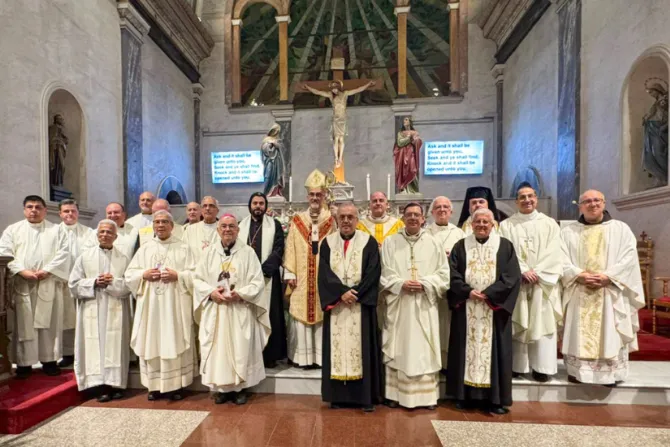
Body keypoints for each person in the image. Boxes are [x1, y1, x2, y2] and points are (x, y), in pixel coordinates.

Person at [560, 190, 644, 385]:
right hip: (579, 290)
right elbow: (560, 258)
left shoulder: (620, 229)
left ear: (604, 203)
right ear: (580, 206)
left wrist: (609, 276)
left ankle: (609, 374)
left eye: (597, 200)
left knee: (610, 331)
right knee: (579, 332)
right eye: (587, 201)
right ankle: (578, 372)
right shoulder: (568, 232)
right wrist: (578, 275)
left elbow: (629, 258)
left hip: (609, 291)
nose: (593, 204)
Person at [447, 208, 521, 415]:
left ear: (492, 224)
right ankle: (463, 396)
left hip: (494, 310)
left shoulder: (505, 246)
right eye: (477, 221)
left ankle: (495, 399)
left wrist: (489, 293)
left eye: (485, 222)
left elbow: (512, 276)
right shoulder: (460, 246)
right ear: (471, 225)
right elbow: (451, 274)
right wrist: (467, 292)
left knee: (496, 353)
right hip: (467, 307)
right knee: (464, 350)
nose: (481, 225)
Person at [380, 202, 449, 409]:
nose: (412, 218)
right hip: (400, 304)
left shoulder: (433, 243)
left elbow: (444, 274)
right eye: (408, 214)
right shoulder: (390, 242)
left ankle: (426, 398)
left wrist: (425, 284)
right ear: (402, 218)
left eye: (416, 215)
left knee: (424, 348)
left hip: (424, 304)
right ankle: (395, 395)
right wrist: (400, 284)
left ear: (422, 219)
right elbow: (384, 271)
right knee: (399, 346)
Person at [194, 214, 268, 405]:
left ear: (238, 230)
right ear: (218, 230)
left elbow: (257, 282)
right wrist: (211, 292)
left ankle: (240, 388)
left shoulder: (248, 253)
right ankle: (220, 389)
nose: (227, 230)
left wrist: (240, 294)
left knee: (240, 348)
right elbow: (197, 279)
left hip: (239, 309)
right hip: (216, 310)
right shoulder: (209, 253)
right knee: (218, 350)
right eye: (224, 226)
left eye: (231, 226)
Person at [125, 210, 197, 401]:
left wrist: (178, 275)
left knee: (174, 339)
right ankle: (154, 386)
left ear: (172, 226)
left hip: (175, 307)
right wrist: (143, 275)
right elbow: (129, 275)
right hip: (151, 308)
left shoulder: (184, 248)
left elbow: (196, 275)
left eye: (165, 222)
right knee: (152, 340)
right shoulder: (145, 249)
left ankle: (176, 386)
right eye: (157, 222)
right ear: (153, 226)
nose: (161, 225)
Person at [318, 202, 382, 412]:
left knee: (362, 350)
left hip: (360, 306)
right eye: (342, 217)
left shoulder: (368, 242)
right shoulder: (327, 243)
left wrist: (355, 293)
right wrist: (341, 293)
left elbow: (373, 272)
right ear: (336, 219)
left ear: (357, 219)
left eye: (350, 217)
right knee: (336, 351)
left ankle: (365, 397)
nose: (346, 221)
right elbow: (324, 274)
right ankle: (338, 397)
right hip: (337, 306)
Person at [0, 195, 70, 378]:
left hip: (48, 282)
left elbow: (64, 253)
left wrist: (47, 270)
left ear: (45, 210)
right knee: (24, 324)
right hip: (23, 284)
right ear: (24, 210)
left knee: (49, 323)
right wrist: (22, 271)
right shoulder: (13, 230)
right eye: (30, 207)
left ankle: (49, 361)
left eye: (38, 207)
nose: (34, 210)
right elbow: (5, 253)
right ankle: (24, 363)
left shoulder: (56, 230)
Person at [500, 183, 562, 382]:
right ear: (516, 201)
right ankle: (518, 366)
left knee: (543, 322)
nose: (527, 200)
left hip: (542, 283)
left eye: (530, 196)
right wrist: (522, 271)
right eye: (522, 197)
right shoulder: (506, 226)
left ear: (536, 199)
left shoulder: (550, 224)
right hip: (519, 284)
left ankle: (542, 367)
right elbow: (505, 252)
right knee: (519, 320)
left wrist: (538, 272)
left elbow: (555, 251)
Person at [68, 220, 131, 402]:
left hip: (115, 307)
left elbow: (130, 285)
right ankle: (98, 385)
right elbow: (73, 284)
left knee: (115, 345)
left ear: (115, 236)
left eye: (109, 232)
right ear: (97, 235)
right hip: (92, 306)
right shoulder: (84, 257)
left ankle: (115, 384)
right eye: (102, 232)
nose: (105, 235)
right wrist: (94, 282)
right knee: (93, 345)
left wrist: (112, 282)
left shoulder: (123, 258)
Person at [283, 170, 336, 368]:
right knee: (301, 312)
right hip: (302, 277)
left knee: (322, 312)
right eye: (312, 194)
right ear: (307, 197)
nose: (315, 198)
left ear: (324, 196)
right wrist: (290, 273)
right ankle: (302, 358)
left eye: (318, 194)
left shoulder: (331, 220)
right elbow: (290, 246)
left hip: (323, 278)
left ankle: (320, 358)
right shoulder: (298, 220)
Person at [238, 192, 287, 368]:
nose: (258, 206)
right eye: (255, 203)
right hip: (247, 279)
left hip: (268, 277)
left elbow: (279, 249)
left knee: (270, 315)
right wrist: (251, 272)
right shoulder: (241, 226)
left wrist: (264, 270)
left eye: (261, 203)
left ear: (266, 206)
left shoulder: (275, 225)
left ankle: (269, 356)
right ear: (249, 206)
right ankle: (249, 354)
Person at [427, 196, 465, 372]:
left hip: (452, 287)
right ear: (432, 212)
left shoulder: (460, 234)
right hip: (431, 286)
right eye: (438, 207)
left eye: (445, 207)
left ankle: (448, 363)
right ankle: (432, 361)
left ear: (451, 211)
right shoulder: (425, 233)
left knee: (449, 326)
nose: (442, 210)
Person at [57, 198, 96, 368]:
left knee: (85, 318)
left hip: (83, 282)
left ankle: (86, 352)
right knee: (66, 319)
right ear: (60, 214)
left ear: (78, 213)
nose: (69, 214)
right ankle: (68, 353)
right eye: (66, 211)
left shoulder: (89, 233)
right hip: (62, 282)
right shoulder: (53, 232)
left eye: (73, 211)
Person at [303, 79, 375, 168]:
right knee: (336, 139)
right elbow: (318, 92)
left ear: (338, 87)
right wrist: (308, 87)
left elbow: (358, 89)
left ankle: (340, 158)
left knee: (341, 139)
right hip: (336, 120)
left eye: (334, 87)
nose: (333, 90)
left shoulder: (345, 94)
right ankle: (336, 158)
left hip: (343, 120)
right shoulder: (330, 95)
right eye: (332, 88)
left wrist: (368, 84)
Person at [182, 196, 220, 262]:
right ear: (201, 210)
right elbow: (183, 252)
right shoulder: (190, 230)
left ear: (217, 210)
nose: (207, 208)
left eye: (211, 206)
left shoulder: (224, 229)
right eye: (204, 206)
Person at [393, 117, 423, 194]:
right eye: (404, 120)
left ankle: (414, 189)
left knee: (413, 170)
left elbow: (418, 142)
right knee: (404, 171)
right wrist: (409, 138)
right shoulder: (400, 133)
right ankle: (404, 188)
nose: (404, 121)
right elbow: (400, 143)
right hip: (402, 155)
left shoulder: (415, 132)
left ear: (410, 122)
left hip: (411, 153)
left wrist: (416, 141)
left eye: (406, 120)